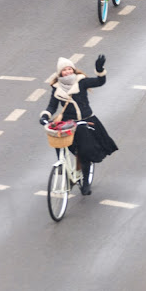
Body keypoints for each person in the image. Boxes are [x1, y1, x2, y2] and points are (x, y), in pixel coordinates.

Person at [39, 55, 118, 195]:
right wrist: (45, 116)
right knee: (60, 144)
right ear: (60, 73)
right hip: (68, 124)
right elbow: (52, 106)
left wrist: (100, 69)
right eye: (65, 70)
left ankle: (85, 182)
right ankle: (64, 167)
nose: (68, 72)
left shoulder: (81, 82)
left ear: (74, 70)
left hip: (85, 121)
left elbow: (100, 82)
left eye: (70, 69)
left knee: (84, 152)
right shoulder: (56, 87)